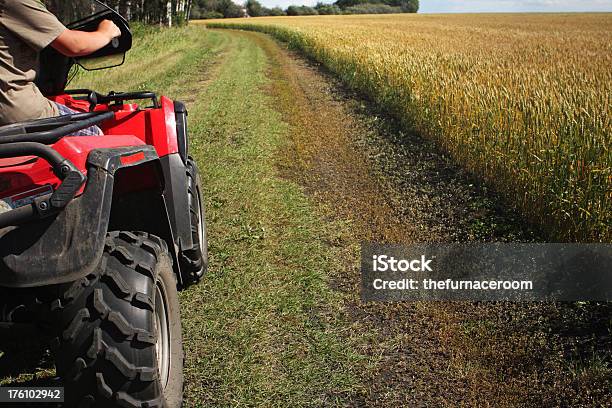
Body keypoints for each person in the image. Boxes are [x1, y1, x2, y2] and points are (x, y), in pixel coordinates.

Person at [0, 0, 121, 135]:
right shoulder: (15, 2)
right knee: (95, 133)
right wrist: (105, 33)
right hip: (16, 110)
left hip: (7, 109)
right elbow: (74, 45)